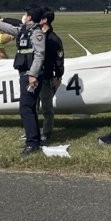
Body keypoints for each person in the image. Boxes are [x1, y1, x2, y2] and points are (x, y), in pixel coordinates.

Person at [0, 7, 46, 155]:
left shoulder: (37, 33)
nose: (23, 16)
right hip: (25, 73)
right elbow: (8, 27)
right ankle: (34, 140)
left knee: (26, 108)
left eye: (25, 14)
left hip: (30, 75)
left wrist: (33, 75)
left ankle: (32, 143)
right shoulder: (25, 30)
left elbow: (39, 55)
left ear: (30, 17)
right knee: (29, 108)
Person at [38, 10, 66, 140]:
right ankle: (32, 131)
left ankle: (46, 133)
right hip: (33, 75)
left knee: (47, 107)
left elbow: (59, 60)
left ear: (45, 20)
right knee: (31, 106)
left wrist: (58, 76)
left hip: (46, 76)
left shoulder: (54, 39)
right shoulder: (35, 35)